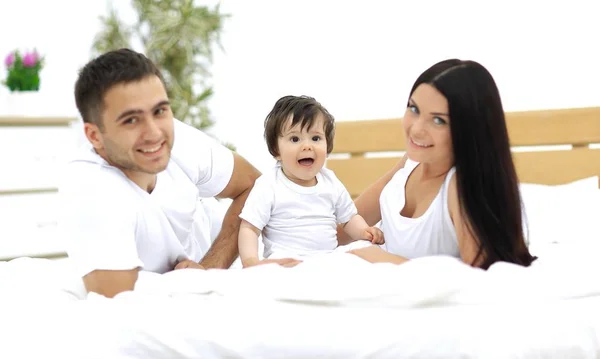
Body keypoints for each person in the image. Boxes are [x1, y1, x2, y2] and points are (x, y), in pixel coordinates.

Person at [59, 48, 262, 298]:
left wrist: (208, 269)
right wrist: (190, 284)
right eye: (131, 120)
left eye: (160, 111)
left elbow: (253, 185)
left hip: (238, 261)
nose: (154, 132)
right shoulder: (91, 191)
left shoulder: (179, 140)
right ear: (94, 136)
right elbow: (117, 305)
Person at [340, 59, 537, 269]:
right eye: (413, 109)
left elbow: (478, 276)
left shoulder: (457, 184)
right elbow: (345, 227)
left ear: (470, 129)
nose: (416, 129)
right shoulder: (410, 163)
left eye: (438, 121)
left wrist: (377, 258)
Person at [237, 95, 384, 267]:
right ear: (276, 151)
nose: (307, 146)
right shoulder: (269, 185)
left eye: (315, 138)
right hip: (286, 262)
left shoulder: (330, 181)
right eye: (295, 139)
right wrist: (251, 261)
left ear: (327, 146)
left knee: (364, 252)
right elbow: (249, 228)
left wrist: (364, 231)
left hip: (327, 259)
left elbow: (349, 218)